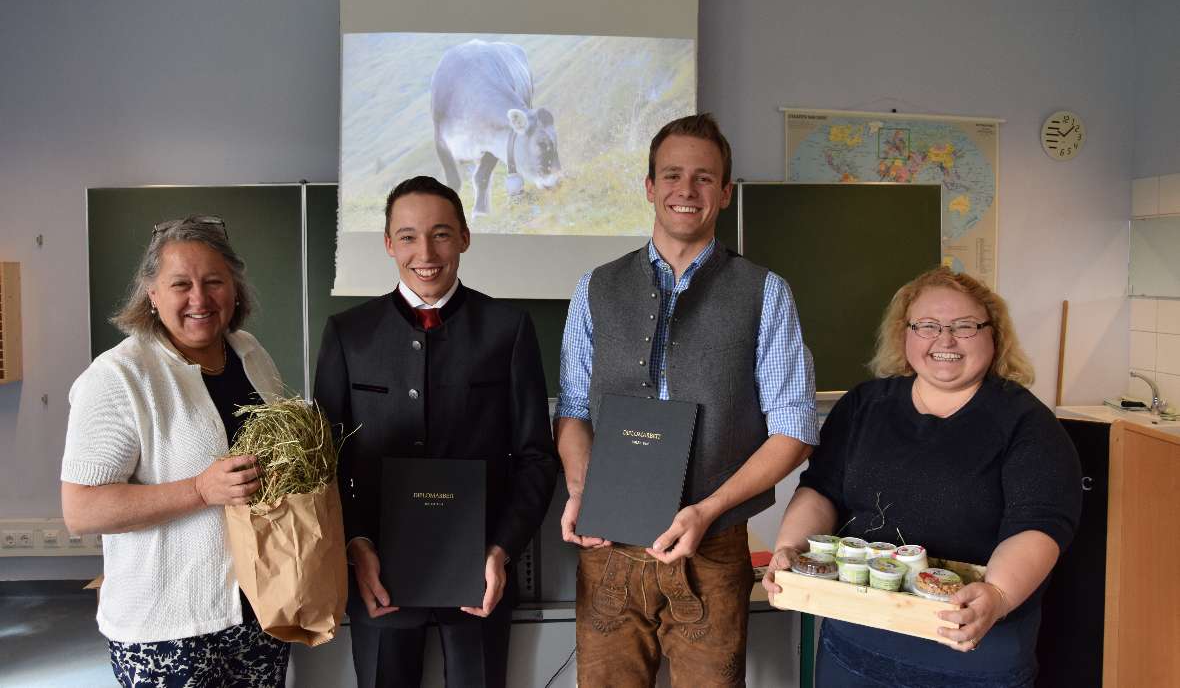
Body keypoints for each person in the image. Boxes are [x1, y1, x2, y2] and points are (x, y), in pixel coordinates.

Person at [553, 113, 819, 686]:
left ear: (724, 192)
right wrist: (581, 489)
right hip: (608, 548)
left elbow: (794, 428)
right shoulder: (594, 288)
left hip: (715, 549)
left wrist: (708, 510)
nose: (686, 190)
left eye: (704, 178)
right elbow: (573, 411)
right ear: (650, 187)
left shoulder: (765, 293)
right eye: (672, 175)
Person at [762, 266, 1083, 687]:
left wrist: (998, 595)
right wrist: (789, 549)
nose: (945, 340)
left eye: (965, 326)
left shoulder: (1028, 424)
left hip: (968, 656)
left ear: (994, 334)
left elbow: (1040, 525)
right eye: (927, 326)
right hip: (855, 647)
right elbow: (821, 490)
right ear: (905, 334)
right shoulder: (864, 405)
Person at [314, 176, 558, 688]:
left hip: (481, 578)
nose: (425, 252)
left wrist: (501, 549)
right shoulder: (348, 333)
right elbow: (325, 463)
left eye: (441, 234)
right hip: (377, 577)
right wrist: (356, 546)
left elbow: (535, 456)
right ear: (387, 244)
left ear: (465, 237)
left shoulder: (508, 328)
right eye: (407, 236)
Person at [60, 215, 289, 687]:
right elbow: (81, 509)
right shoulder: (118, 377)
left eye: (213, 282)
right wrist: (201, 490)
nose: (199, 299)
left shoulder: (250, 353)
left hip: (259, 611)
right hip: (167, 630)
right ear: (152, 293)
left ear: (235, 288)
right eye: (180, 284)